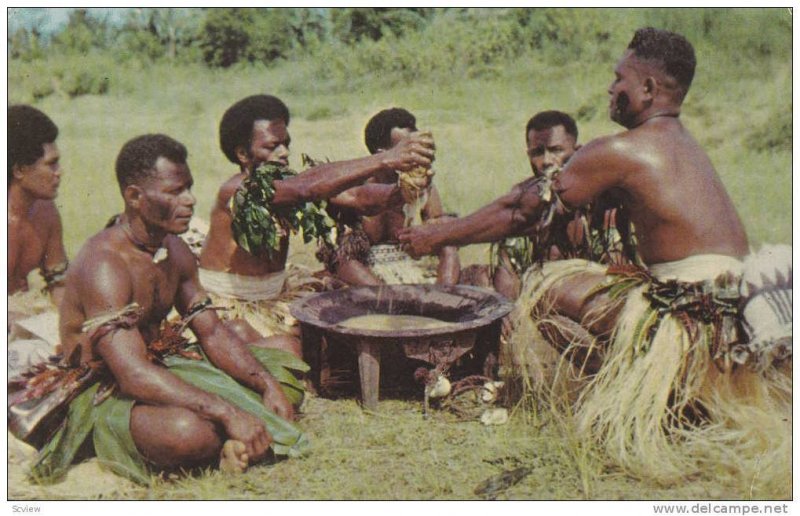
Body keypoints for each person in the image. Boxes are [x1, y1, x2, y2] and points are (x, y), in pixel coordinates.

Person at [399, 28, 790, 481]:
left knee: (548, 282)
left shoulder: (624, 149)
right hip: (726, 313)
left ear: (647, 89)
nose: (610, 88)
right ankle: (664, 393)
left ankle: (647, 395)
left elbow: (520, 210)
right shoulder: (683, 143)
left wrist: (440, 235)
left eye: (619, 78)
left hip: (692, 320)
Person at [13, 134, 308, 485]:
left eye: (189, 188)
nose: (190, 201)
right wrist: (227, 410)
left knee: (284, 366)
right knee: (188, 433)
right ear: (135, 197)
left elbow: (211, 331)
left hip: (160, 365)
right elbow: (132, 374)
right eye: (174, 192)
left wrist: (267, 385)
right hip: (103, 389)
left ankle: (231, 439)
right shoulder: (104, 266)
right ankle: (218, 441)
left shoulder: (175, 249)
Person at [198, 95, 435, 337]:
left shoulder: (289, 183)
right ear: (243, 154)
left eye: (286, 143)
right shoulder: (239, 189)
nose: (284, 152)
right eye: (272, 146)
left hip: (274, 293)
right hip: (232, 304)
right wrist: (384, 159)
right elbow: (306, 188)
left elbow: (357, 198)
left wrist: (403, 190)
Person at [317, 107, 460, 286]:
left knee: (447, 233)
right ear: (382, 155)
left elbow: (444, 243)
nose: (416, 157)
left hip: (415, 268)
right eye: (408, 150)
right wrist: (383, 295)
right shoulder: (357, 190)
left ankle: (444, 298)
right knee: (339, 253)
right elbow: (343, 258)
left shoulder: (424, 188)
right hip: (369, 278)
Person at [8, 105, 69, 376]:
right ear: (19, 170)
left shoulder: (46, 213)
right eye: (51, 163)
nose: (60, 172)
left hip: (24, 326)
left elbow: (58, 282)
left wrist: (73, 326)